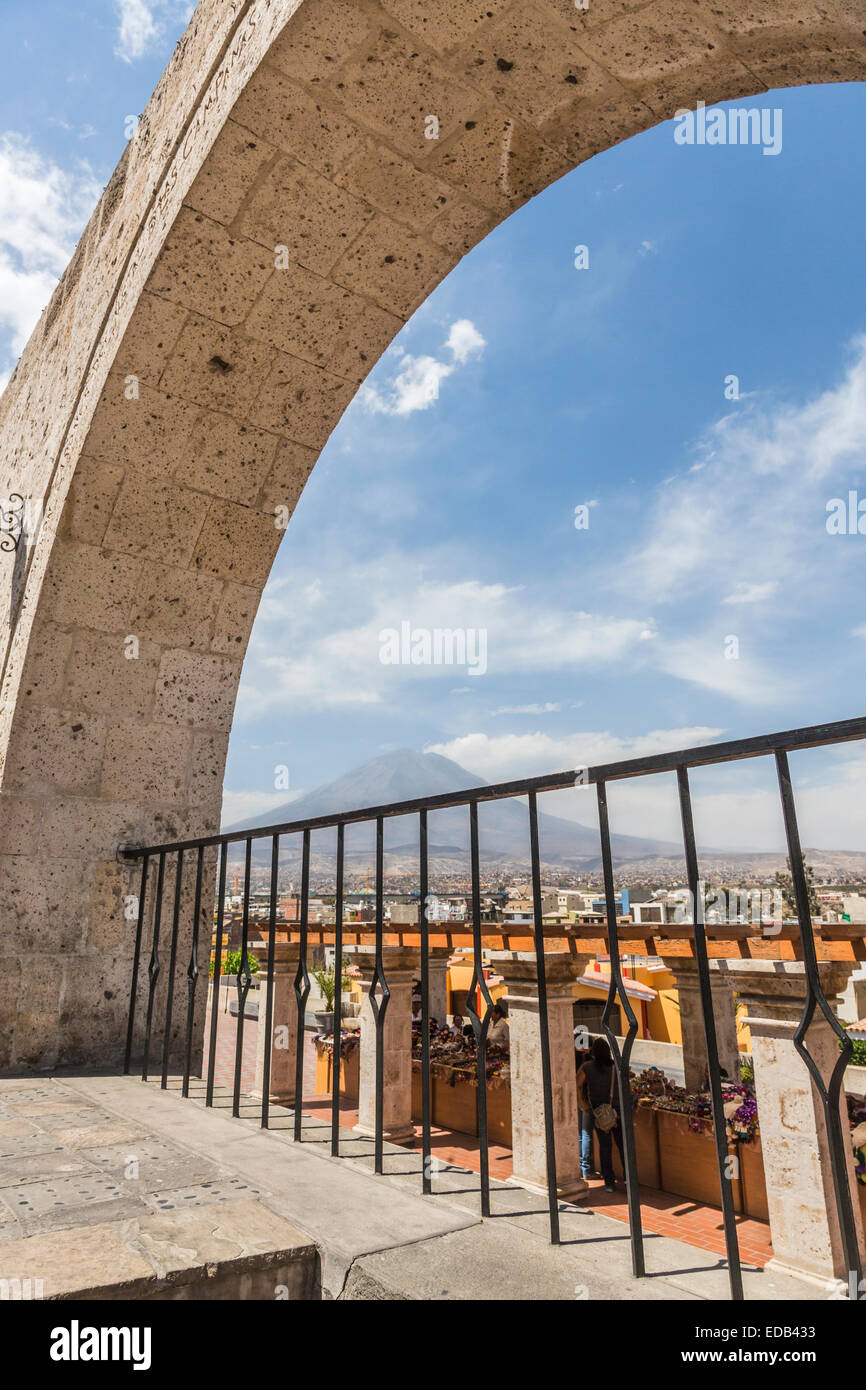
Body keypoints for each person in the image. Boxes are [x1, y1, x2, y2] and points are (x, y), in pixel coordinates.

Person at [576, 1037, 623, 1191]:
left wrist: (583, 1105)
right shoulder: (616, 1067)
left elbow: (576, 1085)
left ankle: (609, 1182)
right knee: (623, 1145)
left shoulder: (587, 1067)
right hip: (617, 1110)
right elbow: (627, 1088)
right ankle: (629, 1180)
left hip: (598, 1112)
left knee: (605, 1147)